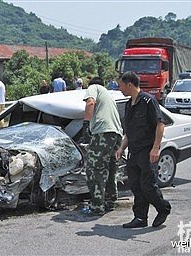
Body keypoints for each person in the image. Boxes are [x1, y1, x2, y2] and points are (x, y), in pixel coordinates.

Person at [115, 71, 171, 228]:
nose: (120, 89)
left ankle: (163, 208)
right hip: (133, 151)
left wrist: (155, 148)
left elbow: (160, 124)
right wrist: (121, 148)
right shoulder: (128, 104)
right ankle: (140, 218)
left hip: (147, 151)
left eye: (121, 86)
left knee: (148, 186)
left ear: (129, 84)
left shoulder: (148, 101)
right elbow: (130, 131)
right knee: (136, 186)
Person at [81, 77, 123, 216]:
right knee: (110, 167)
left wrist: (86, 124)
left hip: (103, 133)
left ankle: (97, 206)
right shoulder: (109, 95)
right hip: (116, 134)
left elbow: (90, 102)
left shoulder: (94, 87)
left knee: (94, 169)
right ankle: (110, 201)